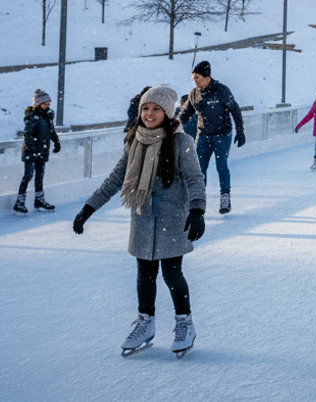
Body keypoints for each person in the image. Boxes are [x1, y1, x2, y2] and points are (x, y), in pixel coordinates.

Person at [73, 84, 206, 357]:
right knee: (145, 276)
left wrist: (197, 211)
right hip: (143, 217)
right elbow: (115, 179)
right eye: (146, 108)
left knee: (171, 274)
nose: (149, 113)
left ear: (167, 113)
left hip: (172, 218)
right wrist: (88, 208)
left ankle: (185, 323)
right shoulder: (134, 141)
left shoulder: (182, 142)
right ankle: (145, 323)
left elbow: (194, 179)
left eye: (156, 109)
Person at [176, 61, 244, 215]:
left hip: (222, 134)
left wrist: (240, 130)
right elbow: (185, 114)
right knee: (199, 169)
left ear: (207, 78)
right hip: (204, 136)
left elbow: (235, 109)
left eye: (198, 77)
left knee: (221, 165)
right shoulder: (194, 93)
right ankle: (197, 200)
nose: (196, 81)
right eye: (194, 78)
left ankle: (225, 197)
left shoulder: (222, 91)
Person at [13, 89, 61, 214]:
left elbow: (51, 131)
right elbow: (28, 135)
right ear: (38, 103)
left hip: (42, 151)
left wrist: (56, 142)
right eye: (44, 103)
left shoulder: (48, 116)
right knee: (28, 175)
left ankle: (39, 200)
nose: (47, 106)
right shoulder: (32, 117)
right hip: (30, 152)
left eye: (48, 103)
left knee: (40, 176)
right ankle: (19, 202)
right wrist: (33, 150)